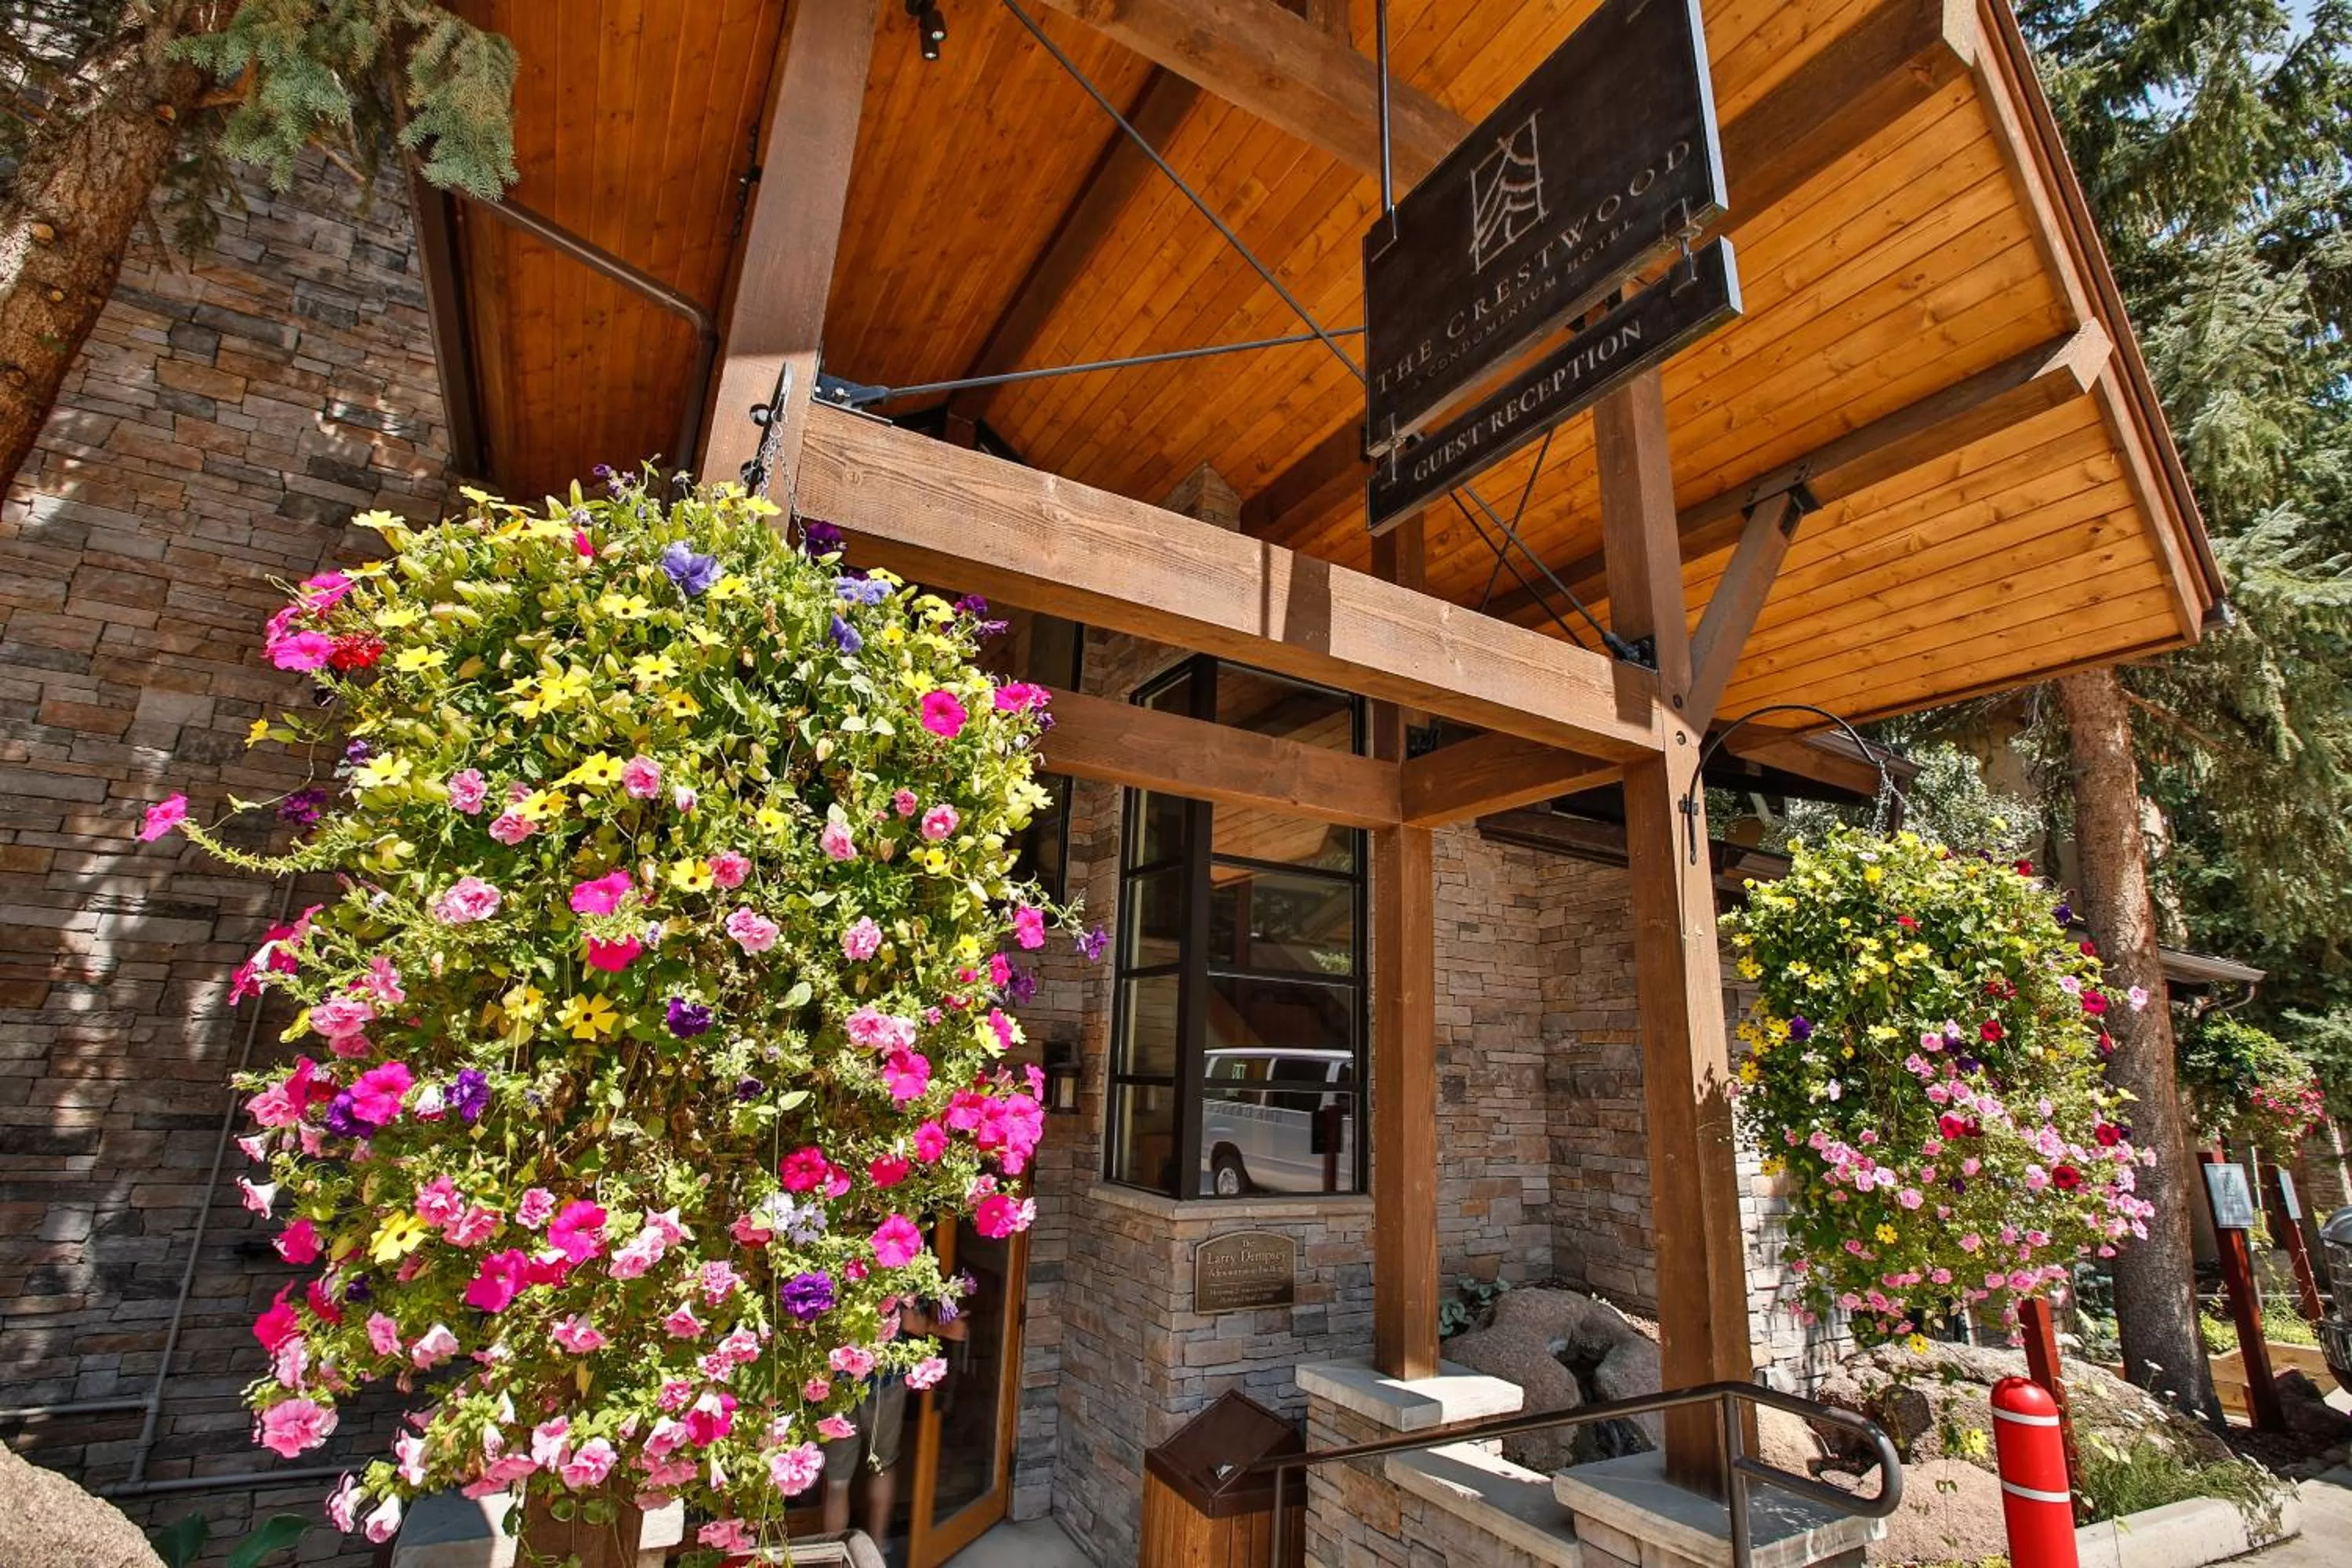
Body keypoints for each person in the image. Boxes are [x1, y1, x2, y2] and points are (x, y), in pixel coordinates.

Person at [818, 1293, 967, 1544]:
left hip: (839, 1384)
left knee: (837, 1483)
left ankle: (834, 1558)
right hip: (884, 1383)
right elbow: (910, 1322)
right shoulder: (897, 1271)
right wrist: (942, 1328)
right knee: (882, 1468)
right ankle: (876, 1550)